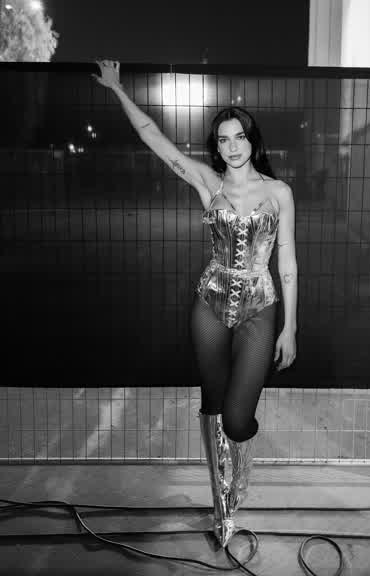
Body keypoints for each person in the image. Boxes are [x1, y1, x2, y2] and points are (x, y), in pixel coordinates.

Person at [92, 60, 298, 547]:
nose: (232, 146)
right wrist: (118, 89)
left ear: (252, 141)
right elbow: (155, 140)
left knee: (238, 419)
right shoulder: (209, 183)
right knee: (211, 403)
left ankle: (236, 483)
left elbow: (287, 258)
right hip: (210, 304)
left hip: (259, 307)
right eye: (223, 140)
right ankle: (221, 504)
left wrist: (290, 327)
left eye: (240, 137)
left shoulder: (279, 193)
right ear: (216, 147)